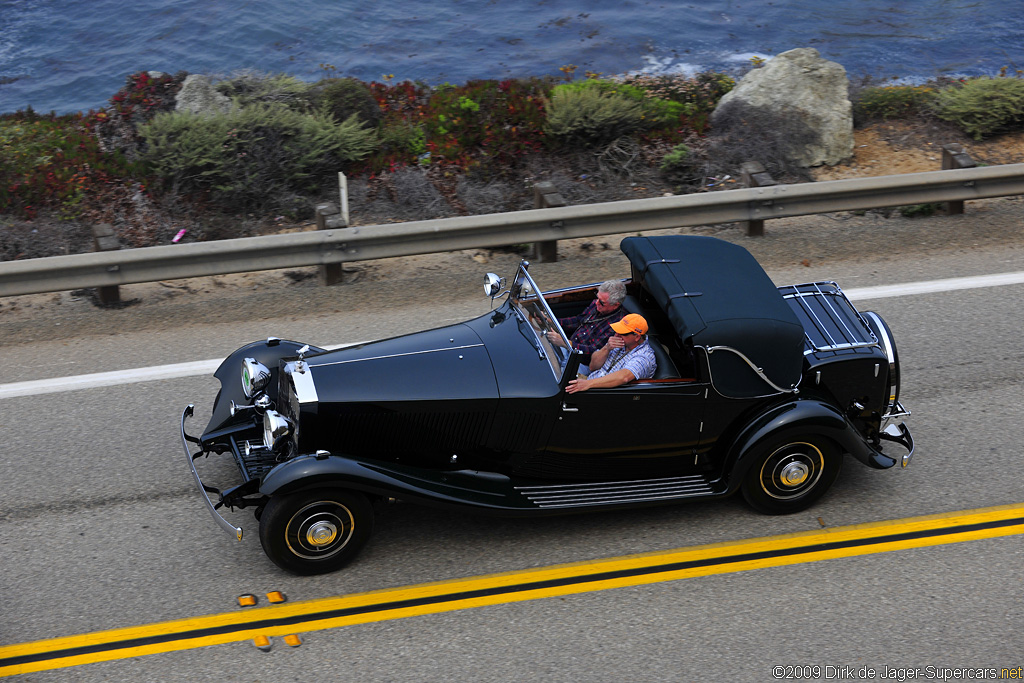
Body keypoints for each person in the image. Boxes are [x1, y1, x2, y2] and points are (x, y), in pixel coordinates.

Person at [565, 314, 656, 393]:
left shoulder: (644, 357)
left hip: (603, 392)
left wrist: (587, 384)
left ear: (637, 337)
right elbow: (593, 366)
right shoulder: (620, 342)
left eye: (622, 333)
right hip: (590, 380)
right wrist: (606, 348)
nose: (616, 335)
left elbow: (624, 377)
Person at [547, 280, 627, 363]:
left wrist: (565, 343)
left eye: (602, 302)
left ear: (615, 305)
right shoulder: (597, 304)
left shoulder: (618, 324)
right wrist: (551, 321)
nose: (596, 303)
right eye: (597, 297)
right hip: (568, 347)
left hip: (581, 362)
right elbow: (578, 320)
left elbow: (593, 350)